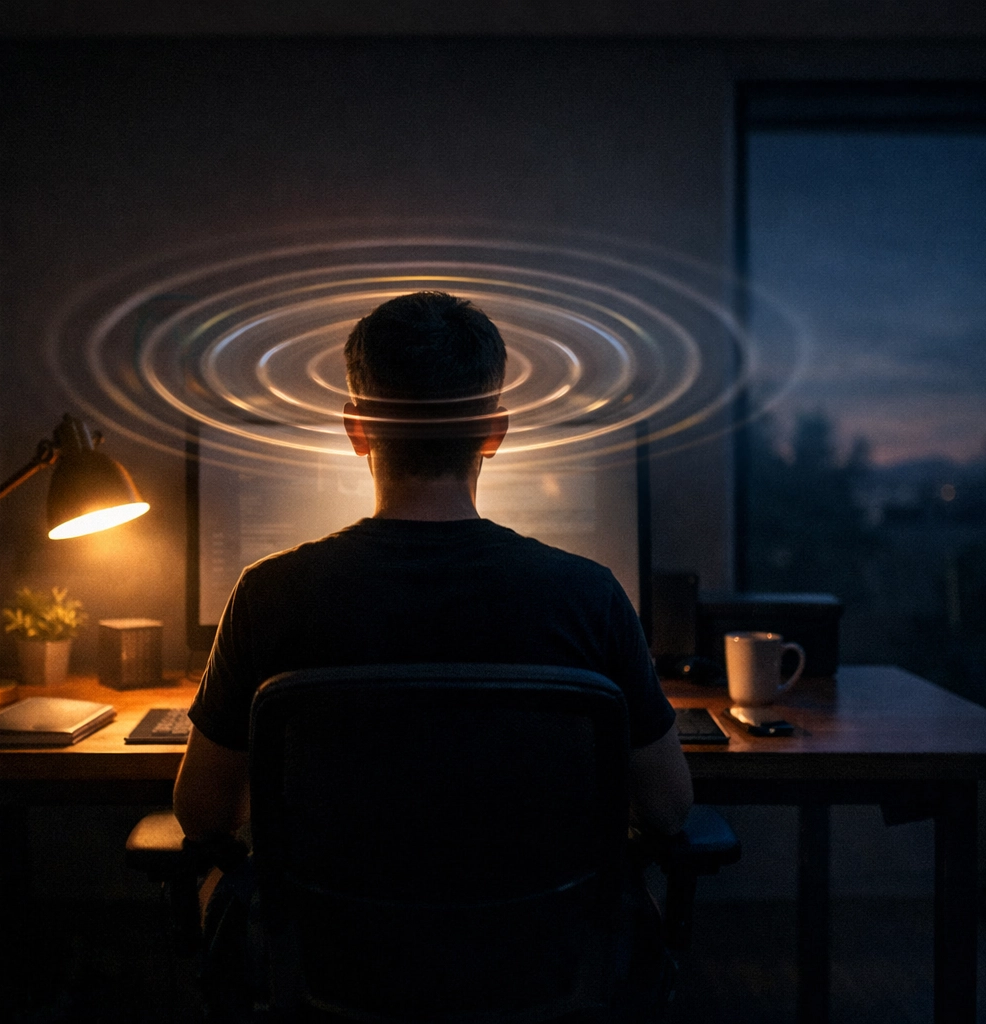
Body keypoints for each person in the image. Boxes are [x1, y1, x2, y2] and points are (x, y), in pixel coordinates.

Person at [172, 290, 694, 1013]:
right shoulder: (590, 597)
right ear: (495, 430)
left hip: (336, 974)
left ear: (357, 430)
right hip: (540, 970)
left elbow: (201, 813)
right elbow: (669, 809)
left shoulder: (269, 595)